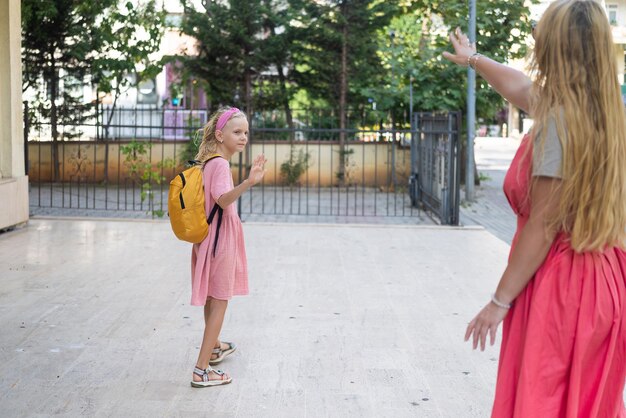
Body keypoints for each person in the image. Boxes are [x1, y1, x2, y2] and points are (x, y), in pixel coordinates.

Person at [443, 1, 626, 416]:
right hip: (605, 282)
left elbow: (542, 226)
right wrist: (473, 58)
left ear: (556, 49)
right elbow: (520, 87)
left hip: (564, 289)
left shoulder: (560, 122)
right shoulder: (604, 113)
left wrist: (499, 301)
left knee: (540, 405)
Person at [189, 106, 267, 387]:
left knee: (212, 299)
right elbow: (222, 200)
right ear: (220, 135)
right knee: (220, 299)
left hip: (209, 239)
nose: (244, 137)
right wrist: (249, 181)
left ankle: (216, 346)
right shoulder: (220, 164)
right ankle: (201, 370)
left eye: (246, 132)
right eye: (237, 132)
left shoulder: (210, 161)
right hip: (220, 241)